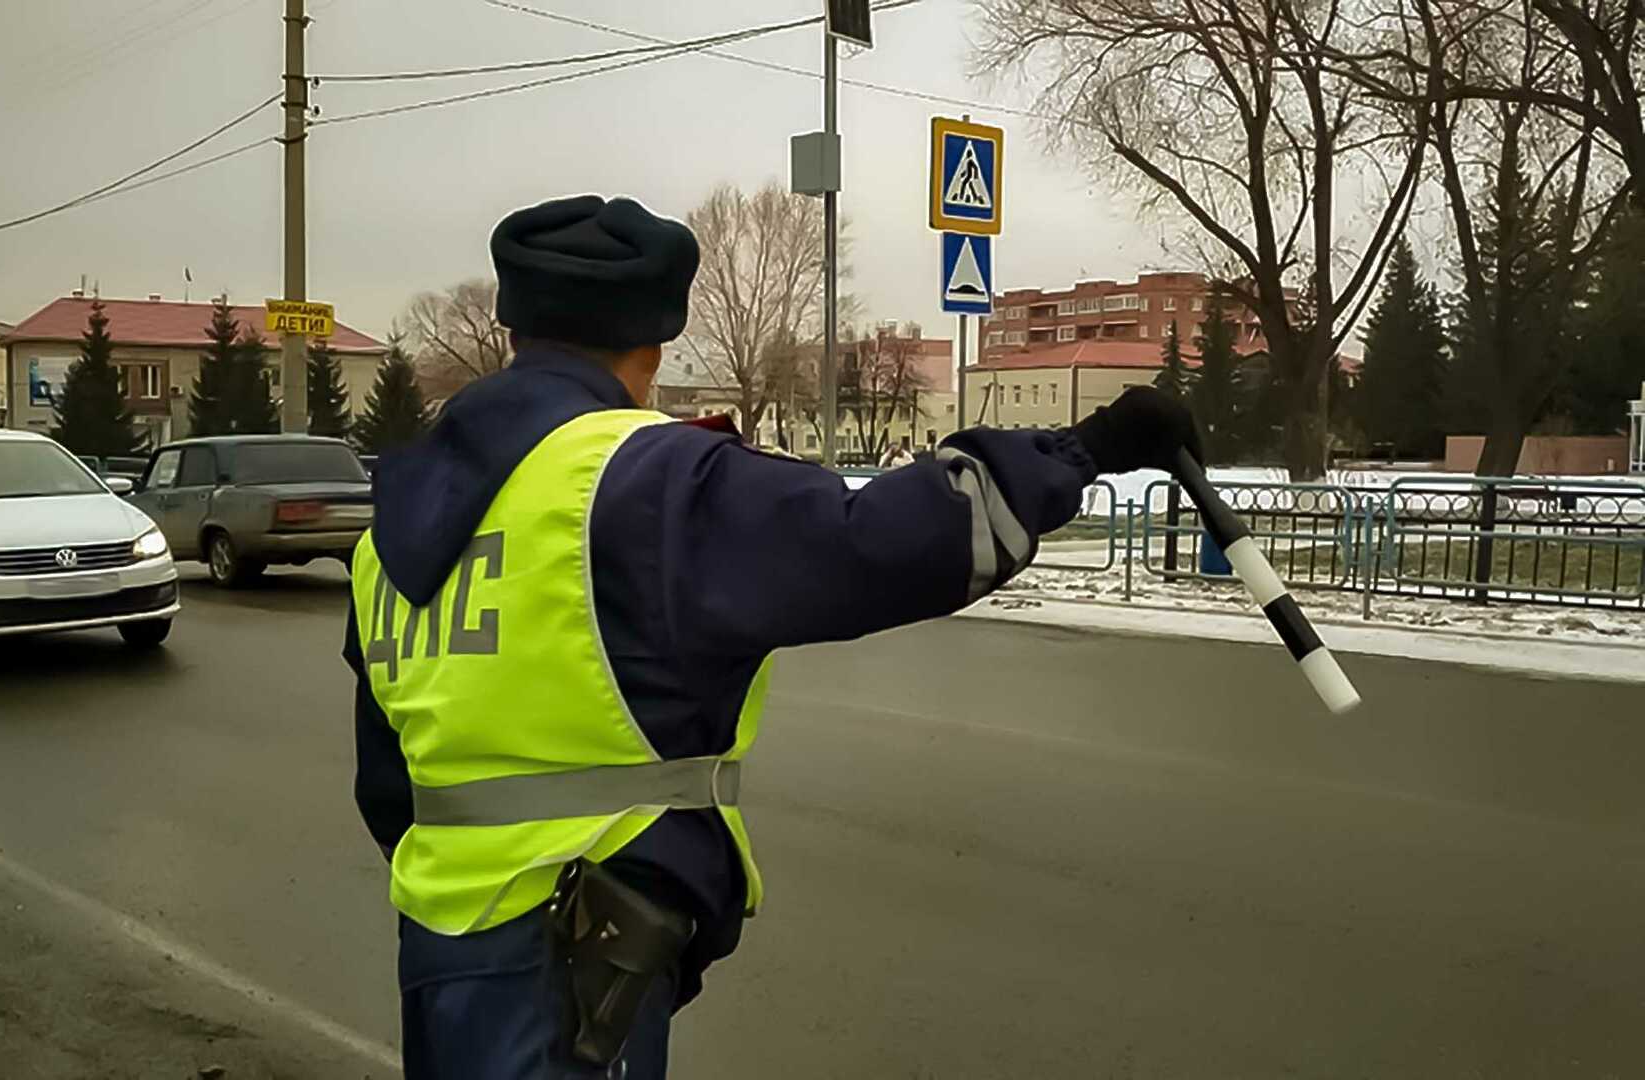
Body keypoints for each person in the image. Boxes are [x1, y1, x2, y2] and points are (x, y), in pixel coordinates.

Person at [344, 194, 1201, 1079]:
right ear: (650, 345)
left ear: (515, 330)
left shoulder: (396, 521)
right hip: (574, 953)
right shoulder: (640, 479)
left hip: (440, 950)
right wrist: (1088, 447)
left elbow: (385, 783)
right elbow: (881, 540)